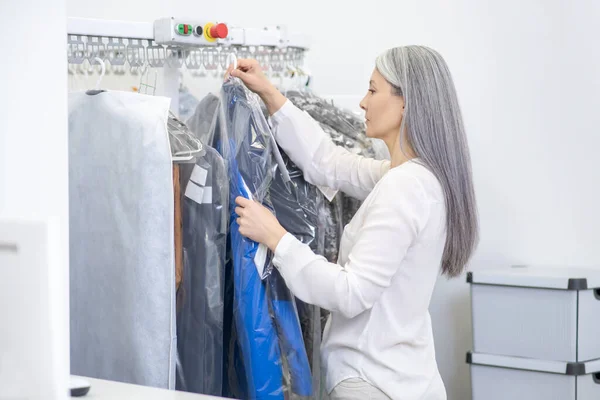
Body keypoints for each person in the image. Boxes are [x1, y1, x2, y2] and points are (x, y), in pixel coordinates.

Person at [225, 45, 478, 400]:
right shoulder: (417, 178)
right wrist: (269, 93)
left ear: (406, 103)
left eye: (373, 90)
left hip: (372, 383)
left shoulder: (404, 187)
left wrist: (275, 237)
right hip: (405, 379)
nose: (362, 102)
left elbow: (350, 292)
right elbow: (331, 164)